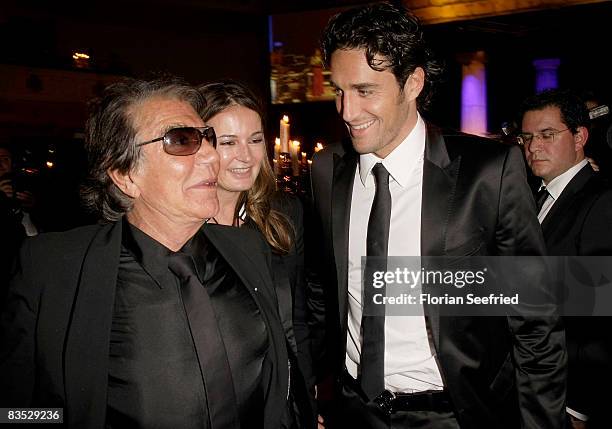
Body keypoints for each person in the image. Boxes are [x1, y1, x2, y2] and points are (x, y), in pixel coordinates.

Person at [308, 3, 566, 428]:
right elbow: (322, 293)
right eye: (339, 91)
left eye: (365, 91)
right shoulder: (326, 171)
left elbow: (535, 319)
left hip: (453, 414)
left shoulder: (489, 172)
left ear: (413, 83)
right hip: (354, 411)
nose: (347, 111)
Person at [0, 77, 294, 428]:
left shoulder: (247, 249)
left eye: (208, 139)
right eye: (181, 141)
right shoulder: (54, 270)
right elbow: (15, 412)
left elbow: (277, 382)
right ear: (125, 174)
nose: (213, 156)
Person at [198, 80, 314, 427]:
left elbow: (298, 323)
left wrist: (306, 404)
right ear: (200, 145)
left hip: (281, 408)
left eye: (255, 140)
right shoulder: (178, 227)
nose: (245, 156)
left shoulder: (283, 215)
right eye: (228, 142)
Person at [519, 88, 612, 429]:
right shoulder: (532, 196)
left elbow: (598, 319)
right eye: (527, 137)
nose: (533, 147)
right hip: (527, 387)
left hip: (565, 397)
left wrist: (579, 406)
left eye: (546, 135)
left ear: (579, 137)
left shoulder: (601, 200)